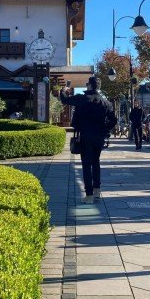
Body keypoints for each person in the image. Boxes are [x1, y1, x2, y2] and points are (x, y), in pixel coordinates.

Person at [60, 76, 116, 204]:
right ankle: (96, 191)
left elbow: (64, 99)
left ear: (90, 85)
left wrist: (64, 89)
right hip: (99, 137)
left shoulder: (81, 99)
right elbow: (113, 120)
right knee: (96, 162)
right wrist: (105, 130)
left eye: (87, 84)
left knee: (86, 165)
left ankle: (89, 195)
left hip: (85, 136)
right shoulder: (106, 102)